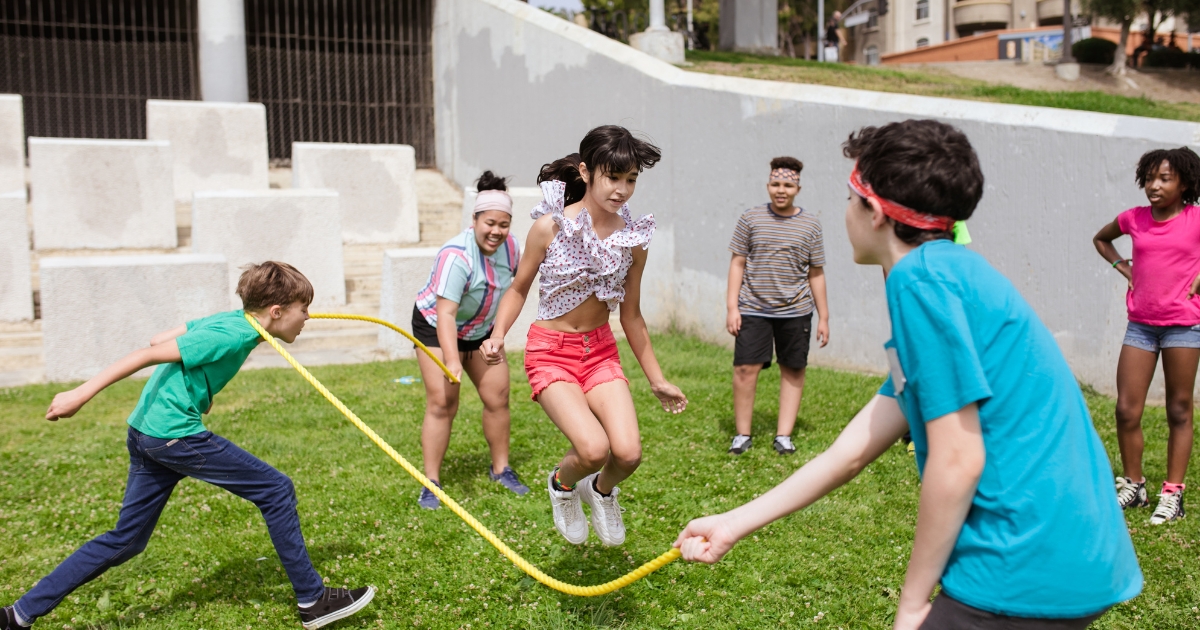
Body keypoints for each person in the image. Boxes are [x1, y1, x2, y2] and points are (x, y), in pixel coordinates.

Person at [675, 120, 1142, 629]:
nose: (846, 212)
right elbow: (851, 453)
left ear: (873, 213)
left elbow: (957, 459)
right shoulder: (948, 272)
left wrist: (912, 604)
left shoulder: (921, 283)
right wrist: (733, 523)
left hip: (1021, 560)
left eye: (851, 198)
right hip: (1077, 551)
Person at [0, 262, 375, 630]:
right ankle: (313, 600)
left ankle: (17, 615)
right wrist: (79, 394)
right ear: (276, 312)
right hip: (173, 436)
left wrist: (199, 389)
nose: (308, 317)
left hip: (146, 432)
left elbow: (160, 338)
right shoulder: (230, 334)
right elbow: (147, 354)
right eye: (303, 309)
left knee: (126, 540)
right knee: (276, 489)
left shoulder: (233, 320)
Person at [481, 125, 688, 547]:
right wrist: (498, 334)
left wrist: (657, 378)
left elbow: (631, 316)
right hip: (550, 353)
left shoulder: (634, 239)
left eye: (631, 179)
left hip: (600, 353)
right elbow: (519, 288)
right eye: (613, 177)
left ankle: (600, 491)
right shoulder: (549, 227)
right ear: (586, 171)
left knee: (628, 453)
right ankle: (561, 484)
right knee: (593, 450)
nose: (623, 189)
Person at [1093, 146, 1200, 525]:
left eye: (1164, 179)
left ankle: (1173, 494)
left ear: (1184, 183)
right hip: (1140, 325)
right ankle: (1134, 485)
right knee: (1126, 409)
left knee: (1178, 409)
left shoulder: (1195, 219)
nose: (1153, 186)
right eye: (1149, 178)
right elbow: (1101, 239)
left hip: (1184, 326)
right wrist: (1125, 268)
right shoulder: (1134, 219)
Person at [410, 170, 530, 509]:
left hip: (480, 330)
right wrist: (451, 360)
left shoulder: (512, 248)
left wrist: (497, 335)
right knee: (443, 402)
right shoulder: (456, 256)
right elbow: (446, 314)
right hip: (436, 328)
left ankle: (501, 469)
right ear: (474, 219)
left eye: (503, 224)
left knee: (498, 395)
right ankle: (430, 481)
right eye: (489, 222)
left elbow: (514, 291)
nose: (496, 231)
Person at [726, 156, 829, 456]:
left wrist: (824, 317)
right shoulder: (750, 218)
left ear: (797, 187)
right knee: (745, 368)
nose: (780, 190)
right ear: (768, 184)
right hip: (753, 308)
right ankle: (742, 434)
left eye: (787, 184)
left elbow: (816, 272)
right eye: (775, 184)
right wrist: (732, 307)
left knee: (793, 368)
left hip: (796, 311)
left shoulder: (811, 224)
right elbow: (738, 263)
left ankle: (783, 436)